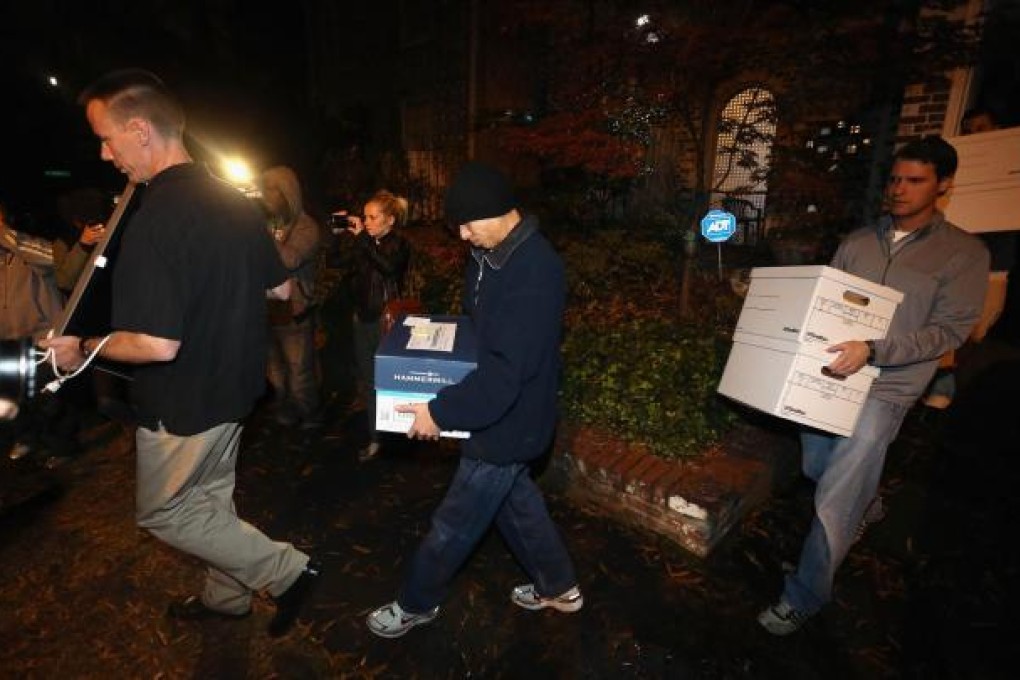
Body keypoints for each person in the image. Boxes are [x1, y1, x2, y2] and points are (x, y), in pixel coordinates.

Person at [41, 69, 321, 638]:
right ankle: (227, 598)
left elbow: (154, 342)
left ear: (140, 129)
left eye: (107, 137)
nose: (104, 152)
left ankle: (288, 571)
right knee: (210, 506)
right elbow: (282, 291)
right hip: (237, 391)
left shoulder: (155, 222)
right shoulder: (238, 202)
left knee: (165, 512)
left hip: (185, 403)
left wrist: (83, 349)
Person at [757, 136, 989, 635]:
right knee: (818, 465)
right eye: (895, 178)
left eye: (915, 180)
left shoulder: (965, 253)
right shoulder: (858, 241)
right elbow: (827, 305)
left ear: (943, 185)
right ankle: (870, 502)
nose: (899, 189)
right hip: (830, 376)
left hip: (889, 386)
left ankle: (805, 594)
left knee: (836, 496)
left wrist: (876, 350)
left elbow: (948, 332)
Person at [365, 161, 583, 638]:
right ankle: (559, 586)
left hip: (506, 422)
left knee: (453, 525)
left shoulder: (533, 271)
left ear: (499, 212)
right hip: (502, 416)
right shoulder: (492, 255)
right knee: (516, 504)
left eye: (467, 223)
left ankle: (416, 603)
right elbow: (479, 333)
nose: (462, 236)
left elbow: (505, 374)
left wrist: (438, 412)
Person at [922, 108, 1016, 409]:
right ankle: (943, 383)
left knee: (977, 331)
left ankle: (964, 392)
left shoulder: (1008, 176)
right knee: (945, 323)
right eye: (969, 129)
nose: (975, 134)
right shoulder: (953, 179)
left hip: (994, 268)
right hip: (953, 265)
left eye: (982, 127)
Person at [340, 189, 411, 461]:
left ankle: (400, 434)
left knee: (392, 379)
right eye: (365, 217)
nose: (366, 222)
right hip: (363, 320)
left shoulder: (400, 244)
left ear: (389, 220)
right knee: (369, 381)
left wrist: (362, 241)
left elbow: (390, 269)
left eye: (373, 217)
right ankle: (376, 437)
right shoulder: (363, 242)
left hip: (387, 322)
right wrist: (341, 239)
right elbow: (339, 264)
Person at [1, 200, 66, 462]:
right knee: (12, 396)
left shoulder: (28, 252)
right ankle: (28, 439)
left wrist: (7, 235)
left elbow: (54, 259)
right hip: (9, 341)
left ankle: (62, 448)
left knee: (46, 398)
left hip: (43, 338)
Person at [260, 166, 323, 429]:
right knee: (275, 369)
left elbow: (290, 259)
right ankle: (286, 409)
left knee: (299, 371)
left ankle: (310, 415)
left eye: (272, 191)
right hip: (268, 309)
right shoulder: (271, 225)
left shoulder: (306, 226)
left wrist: (260, 233)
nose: (266, 198)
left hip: (296, 310)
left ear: (288, 194)